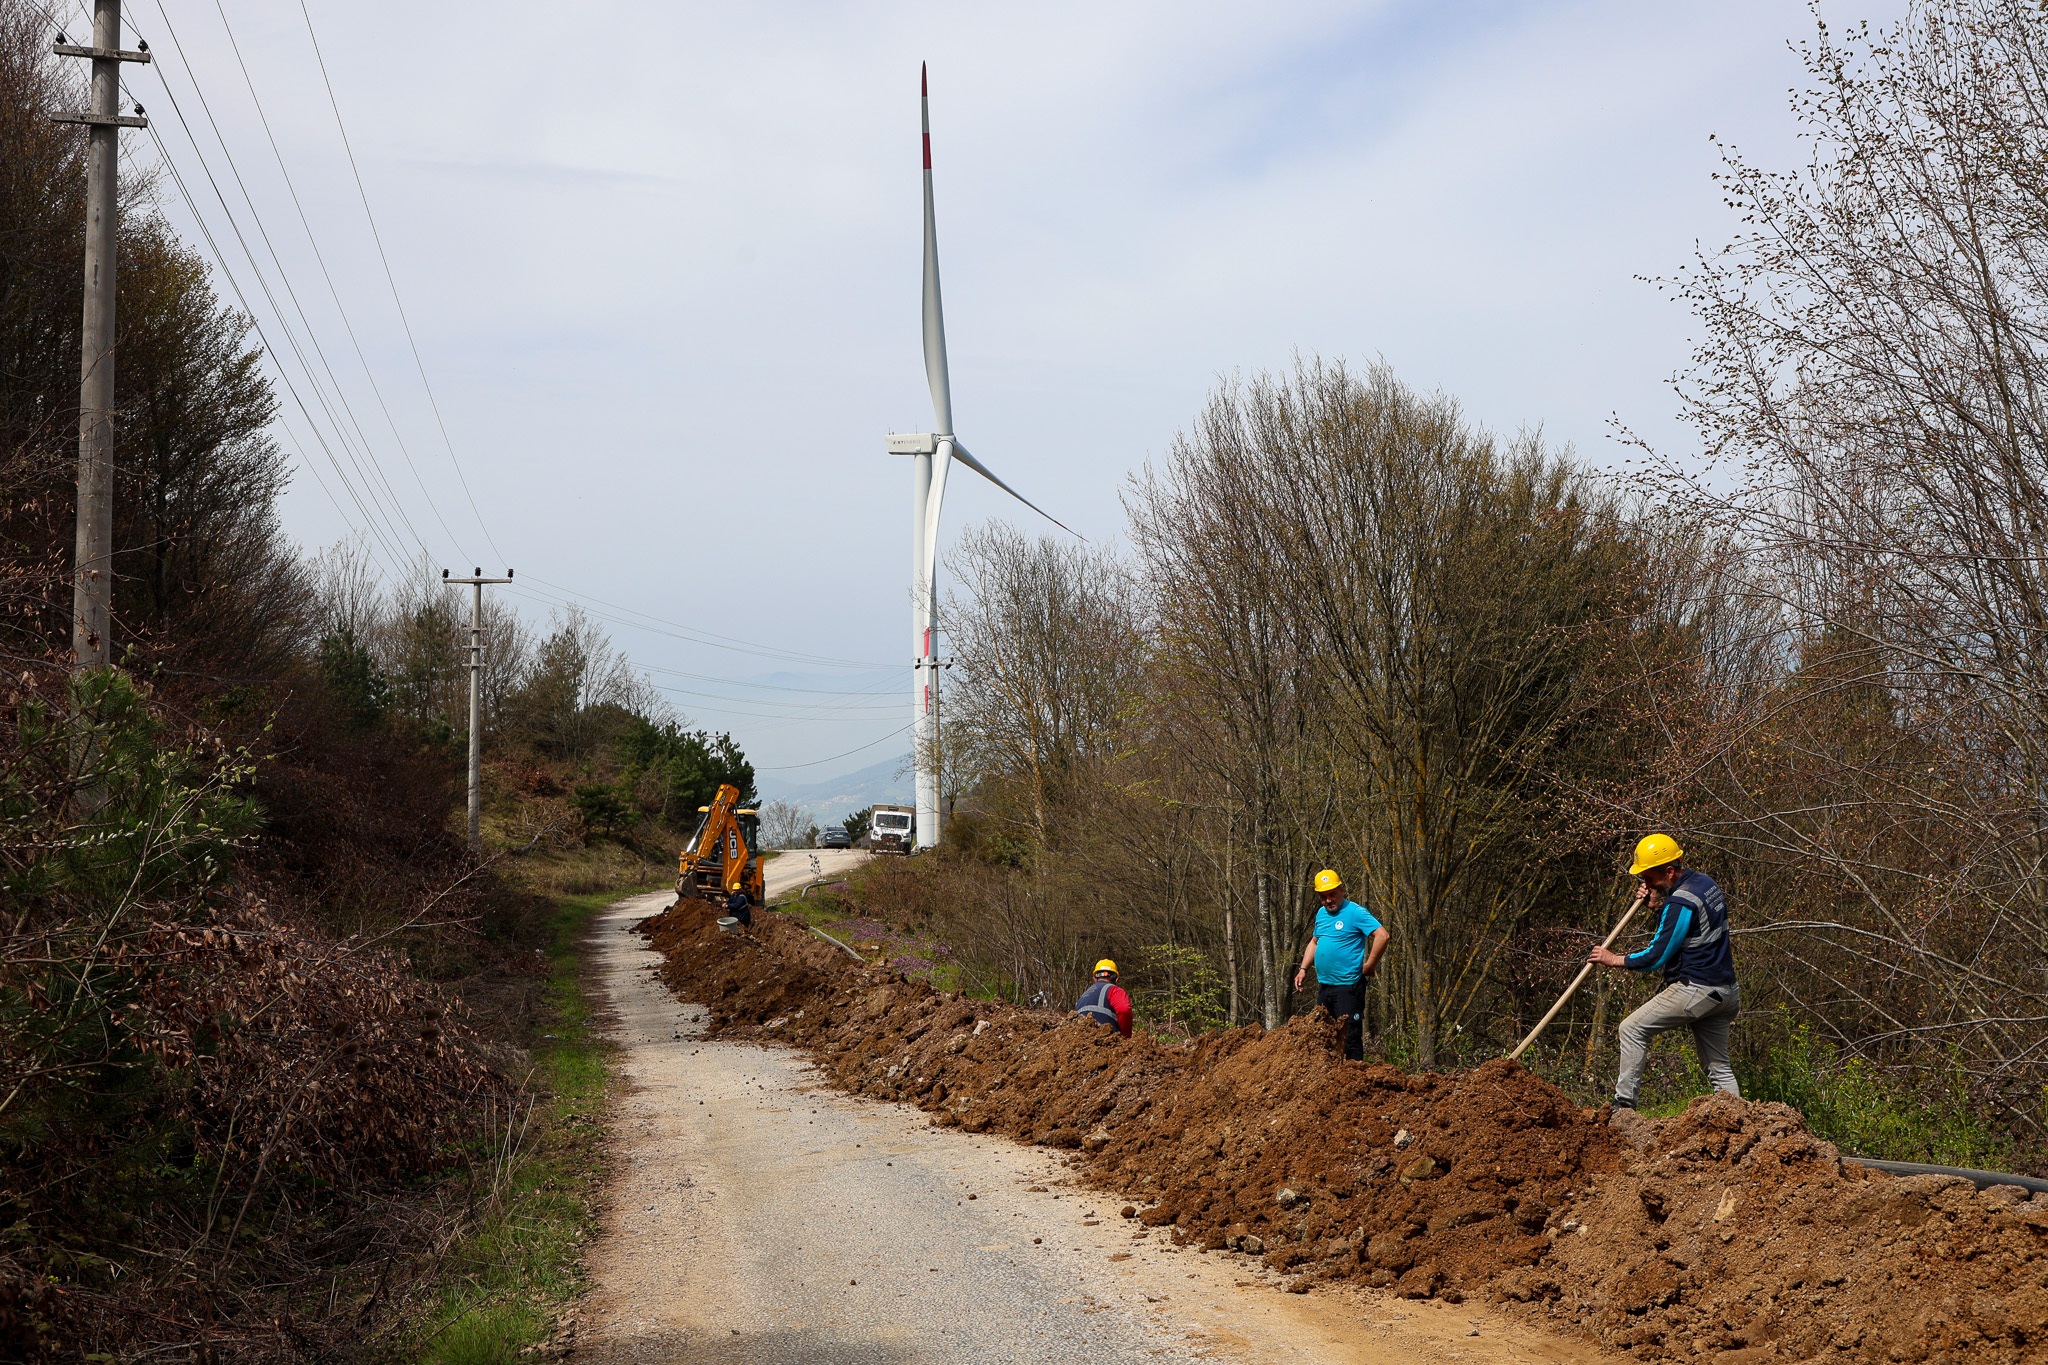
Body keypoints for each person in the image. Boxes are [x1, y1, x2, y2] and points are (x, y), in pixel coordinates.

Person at [1586, 834, 1740, 1109]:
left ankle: (1623, 1107)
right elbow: (1685, 932)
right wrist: (1657, 905)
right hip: (1725, 992)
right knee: (1719, 1068)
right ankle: (1742, 1122)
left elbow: (1657, 956)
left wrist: (1614, 959)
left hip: (1697, 989)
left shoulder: (1680, 902)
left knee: (1631, 1028)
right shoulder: (1705, 883)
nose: (1646, 885)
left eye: (1650, 878)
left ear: (1669, 871)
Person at [1293, 870, 1389, 1061]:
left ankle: (1354, 1080)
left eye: (1331, 895)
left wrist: (1370, 965)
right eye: (1323, 897)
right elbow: (1314, 942)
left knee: (1349, 1037)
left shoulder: (1355, 912)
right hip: (1325, 986)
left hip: (1348, 987)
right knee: (1323, 1035)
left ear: (1341, 890)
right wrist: (1303, 969)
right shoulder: (1321, 914)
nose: (1328, 900)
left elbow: (1382, 935)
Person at [1074, 959, 1133, 1039]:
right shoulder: (1115, 991)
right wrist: (1126, 1038)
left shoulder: (1081, 998)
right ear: (1116, 979)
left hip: (1079, 1043)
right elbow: (1124, 1010)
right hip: (1105, 1044)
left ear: (1095, 978)